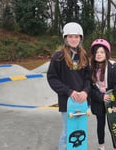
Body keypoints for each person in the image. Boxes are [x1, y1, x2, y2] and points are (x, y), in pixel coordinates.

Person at [47, 22, 90, 150]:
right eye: (70, 36)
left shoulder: (83, 56)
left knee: (81, 129)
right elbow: (52, 78)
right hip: (67, 101)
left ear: (80, 38)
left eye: (76, 37)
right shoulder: (58, 57)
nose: (73, 39)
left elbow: (88, 77)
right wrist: (69, 91)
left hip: (82, 100)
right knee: (68, 131)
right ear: (65, 38)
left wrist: (86, 92)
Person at [89, 39, 116, 150]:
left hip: (112, 101)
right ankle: (101, 146)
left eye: (102, 52)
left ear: (107, 54)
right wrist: (100, 96)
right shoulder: (90, 69)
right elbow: (89, 88)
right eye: (96, 52)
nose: (99, 54)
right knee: (100, 125)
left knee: (113, 125)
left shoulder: (114, 69)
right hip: (98, 102)